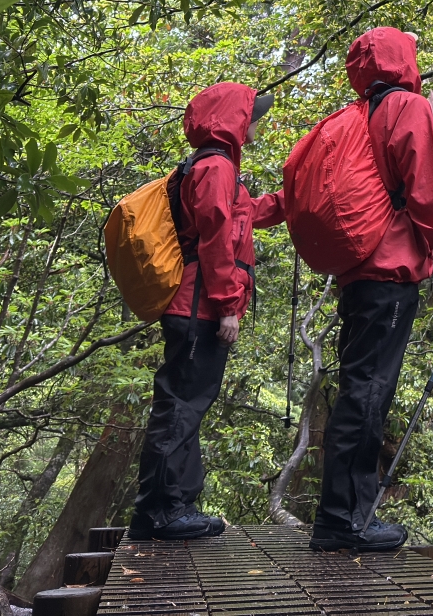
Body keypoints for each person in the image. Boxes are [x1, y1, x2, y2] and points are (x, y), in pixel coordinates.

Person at [310, 27, 433, 553]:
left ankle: (340, 516)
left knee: (358, 389)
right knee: (368, 394)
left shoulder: (357, 114)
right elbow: (424, 196)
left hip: (358, 273)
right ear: (403, 60)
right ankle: (346, 521)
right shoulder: (406, 107)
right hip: (389, 272)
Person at [129, 82, 285, 541]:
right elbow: (217, 239)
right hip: (199, 305)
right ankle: (159, 512)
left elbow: (244, 214)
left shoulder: (212, 168)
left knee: (185, 404)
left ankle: (172, 506)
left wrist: (291, 200)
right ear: (234, 119)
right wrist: (228, 306)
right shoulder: (216, 167)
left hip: (192, 303)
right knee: (180, 405)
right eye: (254, 114)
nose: (258, 121)